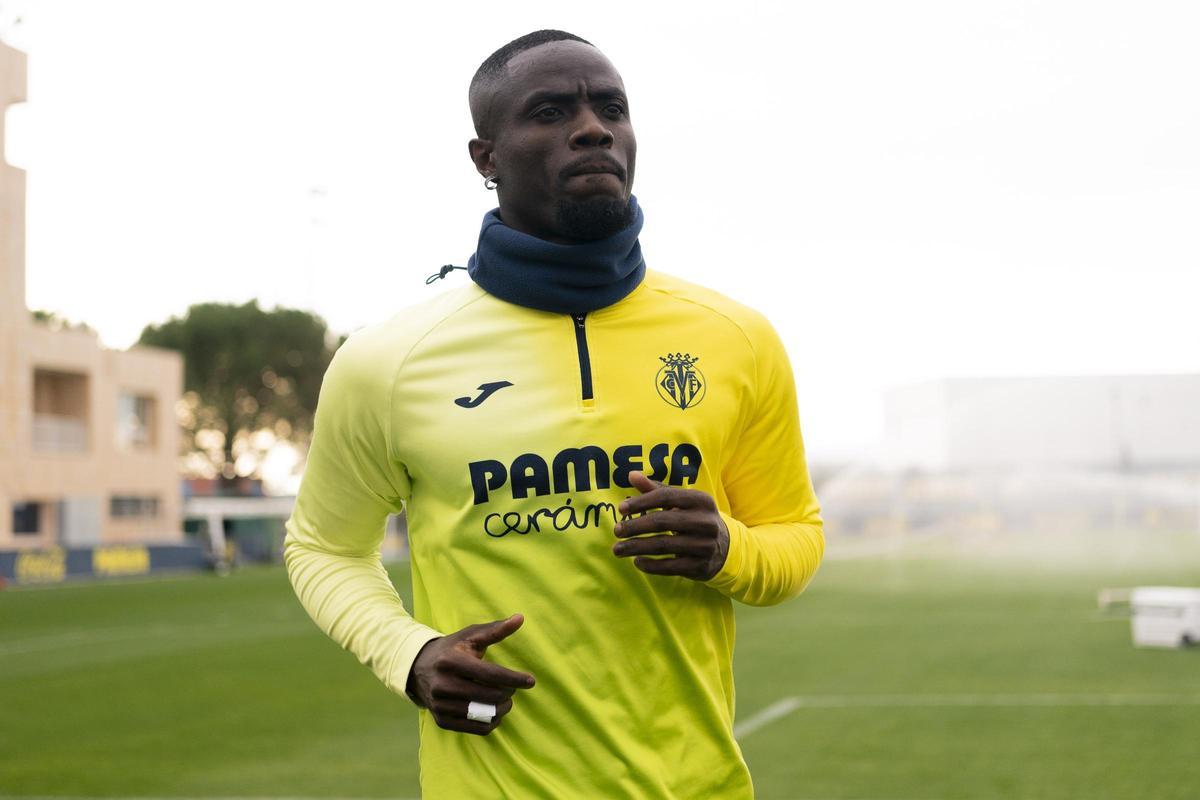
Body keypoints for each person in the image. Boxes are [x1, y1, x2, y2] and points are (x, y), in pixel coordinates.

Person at [283, 29, 824, 799]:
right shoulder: (389, 361)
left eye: (611, 108)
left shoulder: (735, 338)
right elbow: (323, 547)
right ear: (486, 158)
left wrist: (727, 549)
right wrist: (410, 653)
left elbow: (796, 535)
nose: (593, 127)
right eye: (551, 111)